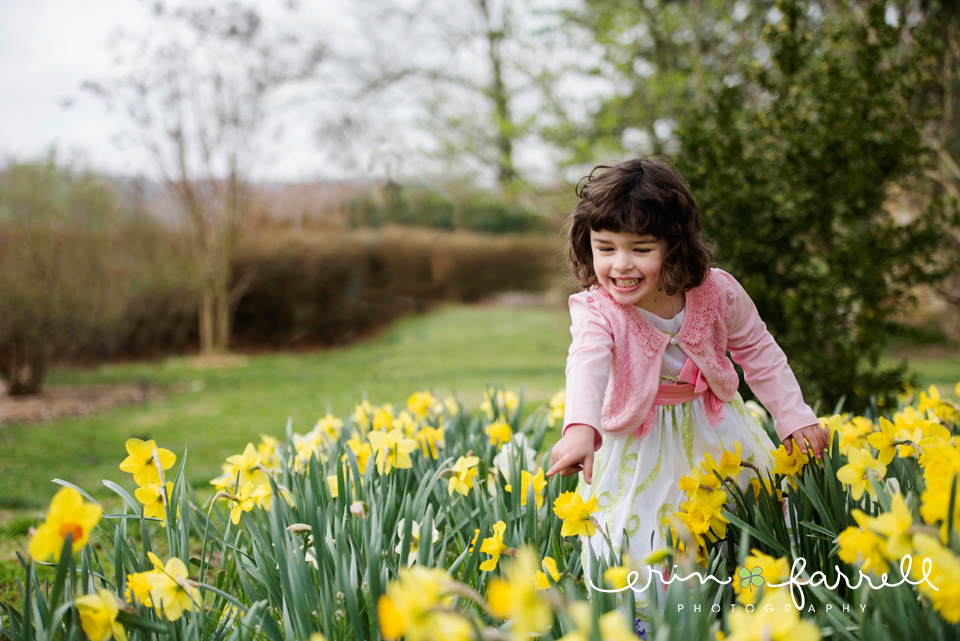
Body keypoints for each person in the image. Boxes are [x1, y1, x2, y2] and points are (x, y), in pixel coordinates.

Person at [544, 158, 828, 635]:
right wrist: (580, 428)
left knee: (739, 521)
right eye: (605, 248)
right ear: (586, 245)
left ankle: (748, 612)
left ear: (674, 245)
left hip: (716, 431)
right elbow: (586, 363)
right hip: (641, 443)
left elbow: (759, 351)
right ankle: (653, 622)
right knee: (646, 535)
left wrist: (794, 418)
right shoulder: (598, 310)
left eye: (641, 249)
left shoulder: (717, 292)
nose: (620, 265)